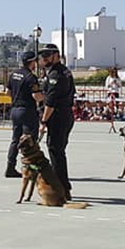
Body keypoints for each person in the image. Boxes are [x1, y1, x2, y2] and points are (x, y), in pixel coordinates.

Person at [38, 44, 76, 200]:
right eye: (43, 56)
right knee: (58, 152)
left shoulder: (56, 75)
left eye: (48, 55)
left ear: (56, 55)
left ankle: (62, 188)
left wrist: (43, 121)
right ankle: (62, 186)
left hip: (58, 116)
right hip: (64, 115)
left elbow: (51, 102)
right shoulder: (62, 72)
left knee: (56, 153)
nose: (44, 58)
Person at [5, 51, 44, 177]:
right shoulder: (30, 77)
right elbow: (36, 96)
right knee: (30, 140)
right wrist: (45, 98)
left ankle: (10, 166)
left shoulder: (13, 74)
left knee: (16, 140)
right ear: (32, 62)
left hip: (15, 110)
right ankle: (31, 168)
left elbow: (7, 92)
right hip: (27, 111)